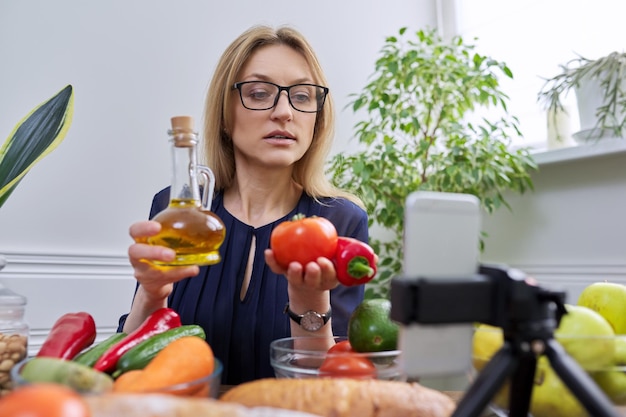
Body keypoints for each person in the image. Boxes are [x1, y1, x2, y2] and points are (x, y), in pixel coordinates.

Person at [118, 25, 369, 385]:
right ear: (224, 114)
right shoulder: (176, 212)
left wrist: (309, 300)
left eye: (301, 96)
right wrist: (150, 293)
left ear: (317, 117)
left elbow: (331, 389)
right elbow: (128, 367)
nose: (284, 112)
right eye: (259, 92)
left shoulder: (341, 221)